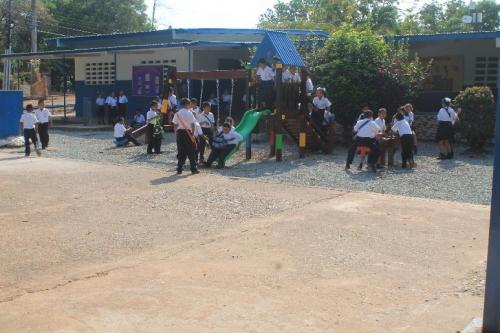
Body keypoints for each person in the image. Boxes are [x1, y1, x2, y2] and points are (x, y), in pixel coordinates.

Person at [172, 98, 199, 175]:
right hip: (188, 133)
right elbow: (193, 124)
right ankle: (193, 169)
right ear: (187, 104)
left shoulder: (177, 113)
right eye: (189, 104)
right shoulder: (190, 113)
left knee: (181, 151)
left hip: (180, 133)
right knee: (191, 151)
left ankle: (179, 169)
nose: (190, 105)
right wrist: (193, 134)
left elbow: (175, 125)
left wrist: (176, 134)